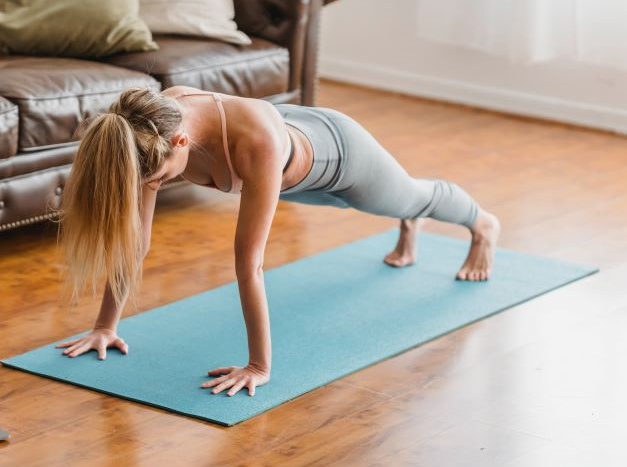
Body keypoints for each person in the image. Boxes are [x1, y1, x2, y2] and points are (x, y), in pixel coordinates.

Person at [54, 85, 500, 398]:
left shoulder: (254, 146)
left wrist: (258, 367)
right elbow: (137, 242)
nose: (155, 186)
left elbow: (249, 264)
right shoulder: (150, 126)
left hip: (339, 155)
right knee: (388, 206)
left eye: (160, 178)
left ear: (182, 141)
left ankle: (482, 225)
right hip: (288, 156)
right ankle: (408, 221)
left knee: (411, 196)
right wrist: (106, 327)